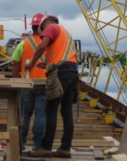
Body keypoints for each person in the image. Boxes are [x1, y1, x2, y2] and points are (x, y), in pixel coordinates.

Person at [26, 15, 78, 159]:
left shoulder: (50, 27)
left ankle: (45, 147)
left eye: (42, 31)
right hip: (72, 71)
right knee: (66, 112)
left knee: (51, 109)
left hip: (61, 73)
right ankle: (65, 149)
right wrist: (47, 64)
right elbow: (61, 56)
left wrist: (31, 64)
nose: (43, 34)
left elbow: (42, 46)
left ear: (46, 24)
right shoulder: (66, 33)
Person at [12, 13, 47, 151]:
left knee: (25, 114)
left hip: (26, 84)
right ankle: (37, 145)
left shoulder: (23, 43)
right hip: (44, 84)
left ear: (32, 27)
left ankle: (21, 144)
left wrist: (15, 83)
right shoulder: (48, 43)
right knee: (41, 113)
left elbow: (15, 64)